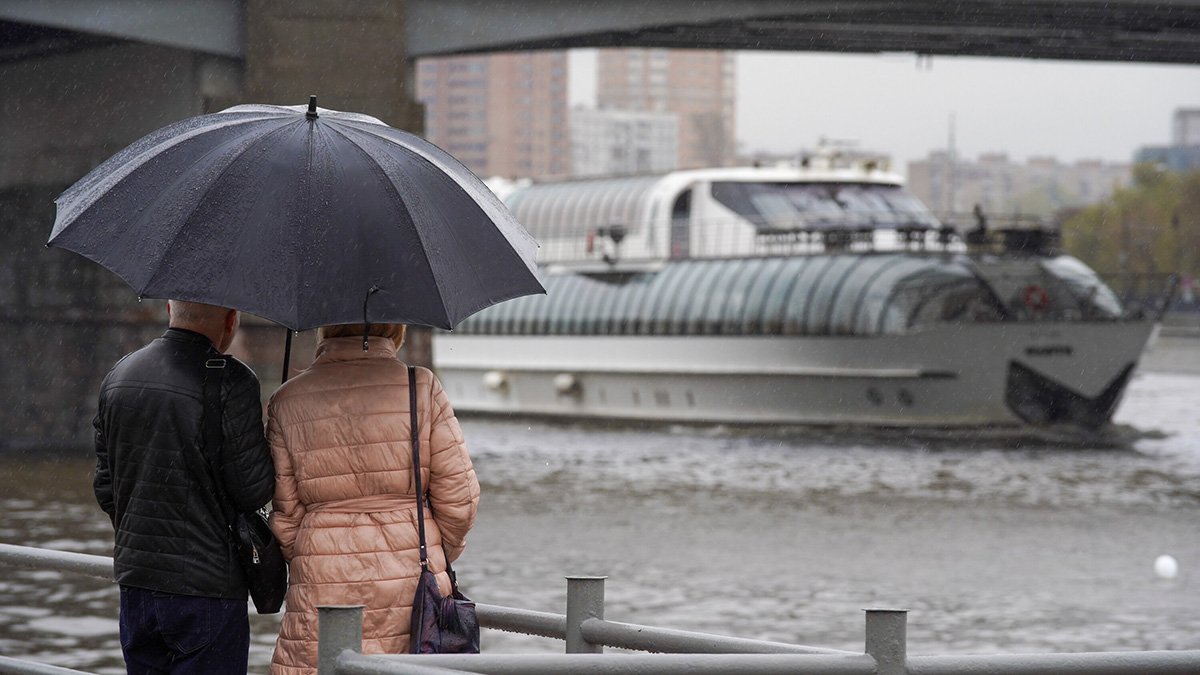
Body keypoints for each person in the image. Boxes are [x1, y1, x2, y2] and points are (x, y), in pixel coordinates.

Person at [267, 323, 479, 675]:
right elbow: (460, 501)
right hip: (411, 577)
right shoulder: (420, 387)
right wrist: (434, 552)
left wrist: (315, 554)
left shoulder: (287, 398)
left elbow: (285, 515)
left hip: (323, 578)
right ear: (396, 326)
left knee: (324, 664)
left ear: (324, 327)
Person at [93, 300, 275, 675]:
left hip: (137, 584)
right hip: (208, 590)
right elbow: (252, 491)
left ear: (167, 308)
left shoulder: (119, 375)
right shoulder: (233, 381)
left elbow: (106, 487)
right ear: (231, 320)